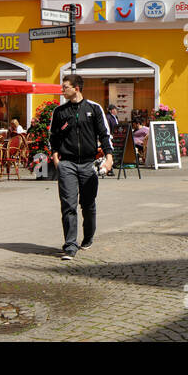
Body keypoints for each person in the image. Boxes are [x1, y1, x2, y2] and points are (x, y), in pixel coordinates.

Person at [49, 74, 113, 260]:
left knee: (88, 204)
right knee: (68, 205)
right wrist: (55, 159)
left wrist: (108, 158)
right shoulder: (59, 112)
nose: (62, 90)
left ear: (76, 88)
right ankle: (70, 245)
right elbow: (53, 137)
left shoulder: (94, 108)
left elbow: (104, 135)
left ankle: (88, 237)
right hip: (66, 163)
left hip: (88, 163)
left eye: (66, 87)